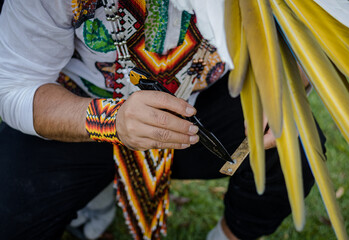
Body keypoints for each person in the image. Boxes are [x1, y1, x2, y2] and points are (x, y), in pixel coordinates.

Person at [0, 0, 325, 239]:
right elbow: (16, 86)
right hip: (82, 112)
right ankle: (93, 207)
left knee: (294, 144)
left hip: (202, 106)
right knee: (10, 214)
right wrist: (110, 121)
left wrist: (285, 84)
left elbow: (305, 30)